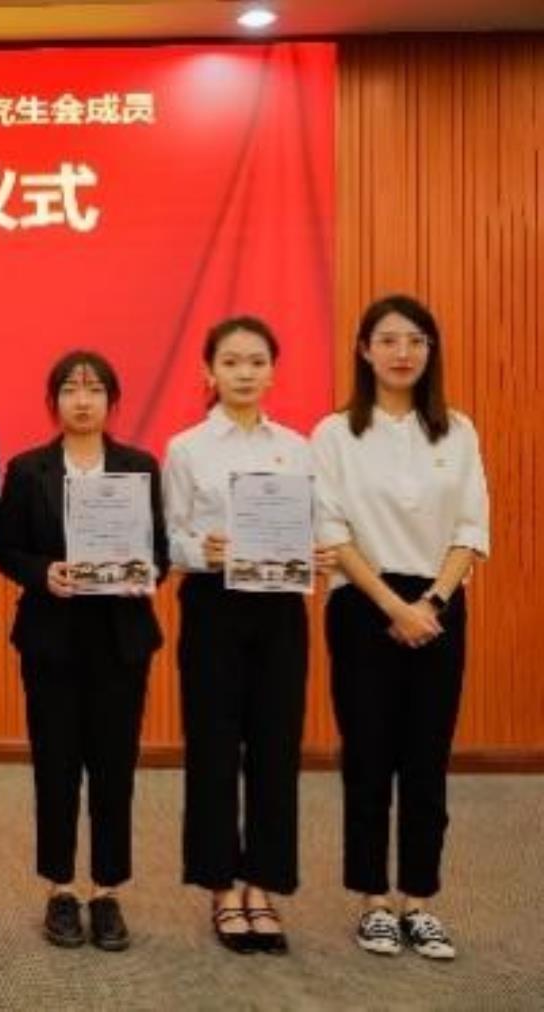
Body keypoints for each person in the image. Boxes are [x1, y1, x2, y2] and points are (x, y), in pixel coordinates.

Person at [313, 294, 489, 961]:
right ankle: (373, 901)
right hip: (364, 604)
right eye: (387, 340)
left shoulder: (458, 430)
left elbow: (471, 527)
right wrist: (393, 605)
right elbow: (331, 530)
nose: (402, 352)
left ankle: (419, 899)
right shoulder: (335, 434)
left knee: (427, 758)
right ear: (364, 350)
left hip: (439, 605)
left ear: (430, 351)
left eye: (416, 340)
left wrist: (432, 602)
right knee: (368, 757)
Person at [164, 316, 332, 955]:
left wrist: (317, 555)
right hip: (214, 605)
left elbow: (316, 526)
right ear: (209, 371)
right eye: (231, 362)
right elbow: (170, 537)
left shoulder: (297, 447)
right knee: (212, 746)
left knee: (275, 746)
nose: (244, 373)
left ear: (273, 372)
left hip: (281, 610)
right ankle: (220, 886)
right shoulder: (187, 448)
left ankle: (262, 884)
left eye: (257, 362)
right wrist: (200, 550)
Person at [0, 349, 169, 952]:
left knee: (115, 768)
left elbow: (161, 552)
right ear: (54, 402)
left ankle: (107, 890)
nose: (83, 399)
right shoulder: (28, 469)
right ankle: (61, 889)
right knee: (56, 766)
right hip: (52, 638)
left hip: (121, 639)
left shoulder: (139, 468)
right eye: (71, 389)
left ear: (112, 402)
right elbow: (6, 548)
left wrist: (142, 570)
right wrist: (43, 572)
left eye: (95, 389)